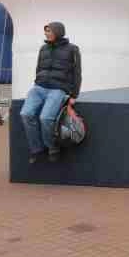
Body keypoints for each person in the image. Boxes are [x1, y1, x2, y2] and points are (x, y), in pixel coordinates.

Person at [20, 22, 81, 163]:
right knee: (25, 114)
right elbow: (39, 68)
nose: (46, 34)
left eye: (49, 31)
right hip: (39, 88)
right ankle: (36, 149)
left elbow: (77, 73)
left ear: (58, 32)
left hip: (58, 89)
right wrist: (38, 81)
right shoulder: (43, 48)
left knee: (45, 118)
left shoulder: (72, 49)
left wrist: (74, 95)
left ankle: (52, 147)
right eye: (46, 31)